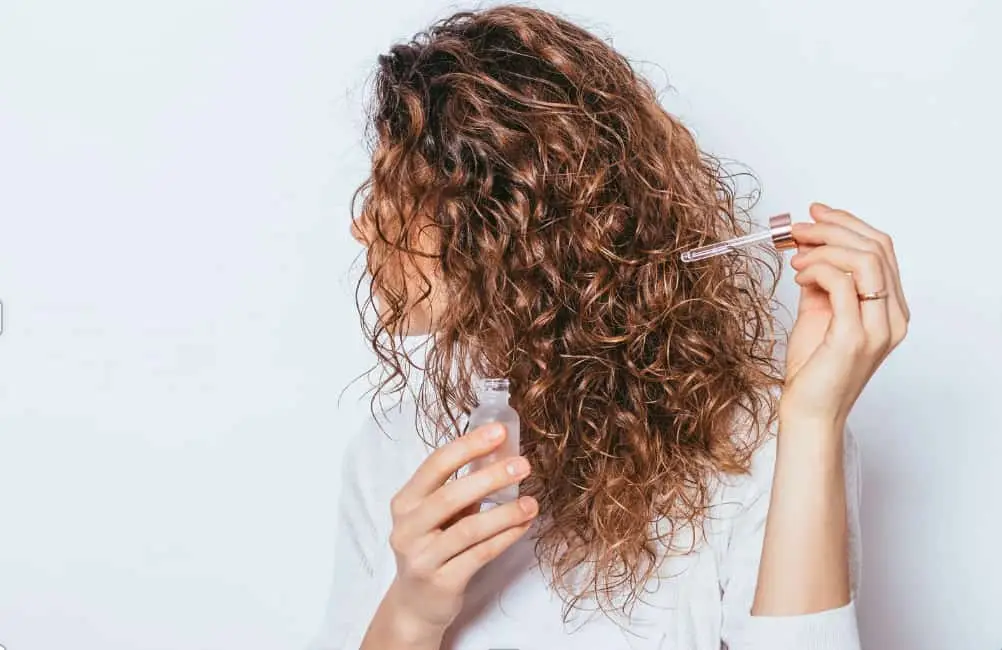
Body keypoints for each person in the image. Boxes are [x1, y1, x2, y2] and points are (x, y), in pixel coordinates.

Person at [310, 5, 909, 649]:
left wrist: (813, 425)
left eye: (393, 191)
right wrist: (412, 611)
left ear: (499, 225)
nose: (363, 225)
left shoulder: (767, 440)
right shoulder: (394, 448)